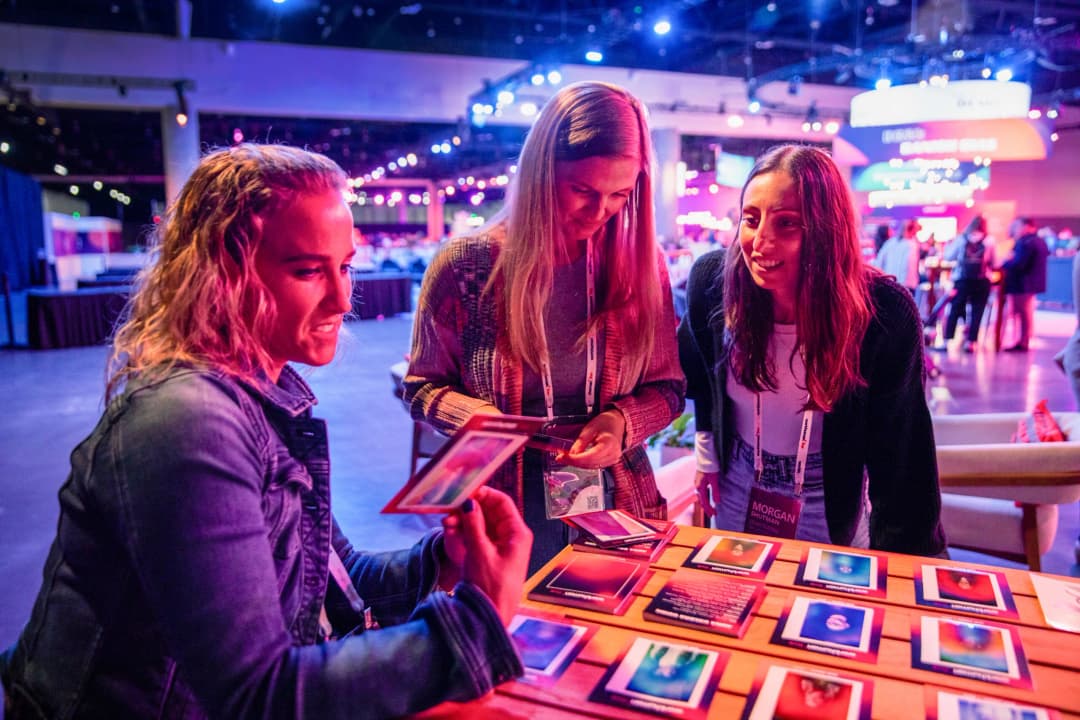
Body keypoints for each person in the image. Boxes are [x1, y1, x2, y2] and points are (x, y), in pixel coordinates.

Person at [0, 144, 532, 719]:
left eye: (346, 265)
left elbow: (338, 584)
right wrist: (475, 630)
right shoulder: (188, 422)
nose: (343, 298)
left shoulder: (262, 399)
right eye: (308, 270)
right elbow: (258, 695)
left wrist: (443, 561)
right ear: (224, 275)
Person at [405, 81, 686, 573]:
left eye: (620, 195)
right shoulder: (467, 266)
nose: (600, 213)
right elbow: (421, 386)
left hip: (618, 504)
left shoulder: (643, 266)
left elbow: (668, 389)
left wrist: (622, 425)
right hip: (502, 509)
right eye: (582, 191)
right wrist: (474, 417)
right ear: (540, 173)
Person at [678, 145, 946, 556]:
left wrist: (908, 571)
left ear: (825, 231)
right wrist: (706, 458)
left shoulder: (883, 314)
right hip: (738, 483)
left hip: (829, 495)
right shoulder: (713, 284)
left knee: (826, 614)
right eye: (751, 220)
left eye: (787, 224)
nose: (760, 241)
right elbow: (697, 380)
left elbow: (903, 457)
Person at [937, 215, 996, 353]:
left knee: (955, 309)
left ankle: (946, 341)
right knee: (977, 311)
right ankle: (971, 343)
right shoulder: (990, 240)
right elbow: (995, 262)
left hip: (962, 280)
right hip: (982, 280)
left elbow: (948, 256)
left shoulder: (961, 239)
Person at [1001, 216, 1050, 352]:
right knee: (1025, 313)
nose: (1015, 230)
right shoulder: (1038, 241)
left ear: (1026, 226)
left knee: (1023, 313)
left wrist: (1004, 264)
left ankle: (1022, 342)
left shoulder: (1026, 242)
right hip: (1029, 283)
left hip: (1023, 284)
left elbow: (1019, 263)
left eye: (1017, 226)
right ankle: (1023, 340)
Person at [872, 218, 920, 294]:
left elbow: (879, 263)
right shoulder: (912, 245)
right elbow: (909, 267)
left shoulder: (890, 242)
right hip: (906, 286)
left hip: (891, 284)